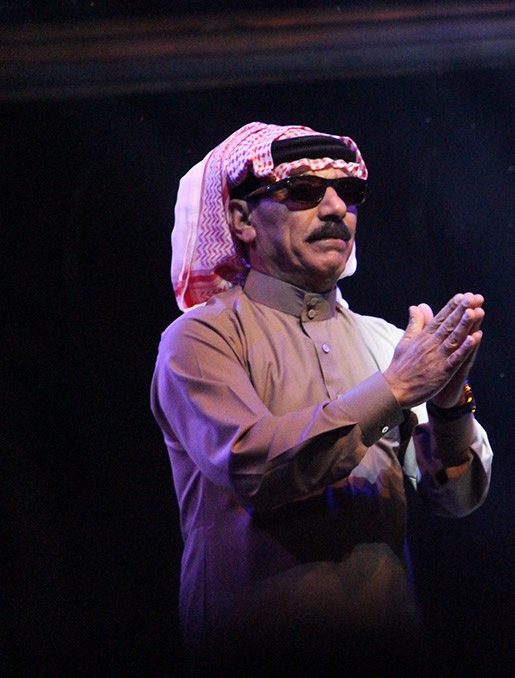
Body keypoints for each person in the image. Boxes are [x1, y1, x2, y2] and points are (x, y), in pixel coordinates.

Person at [150, 122, 493, 673]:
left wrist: (450, 402)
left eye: (349, 191)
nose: (336, 208)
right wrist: (397, 389)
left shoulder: (385, 341)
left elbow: (457, 498)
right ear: (241, 219)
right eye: (304, 191)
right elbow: (254, 465)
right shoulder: (201, 339)